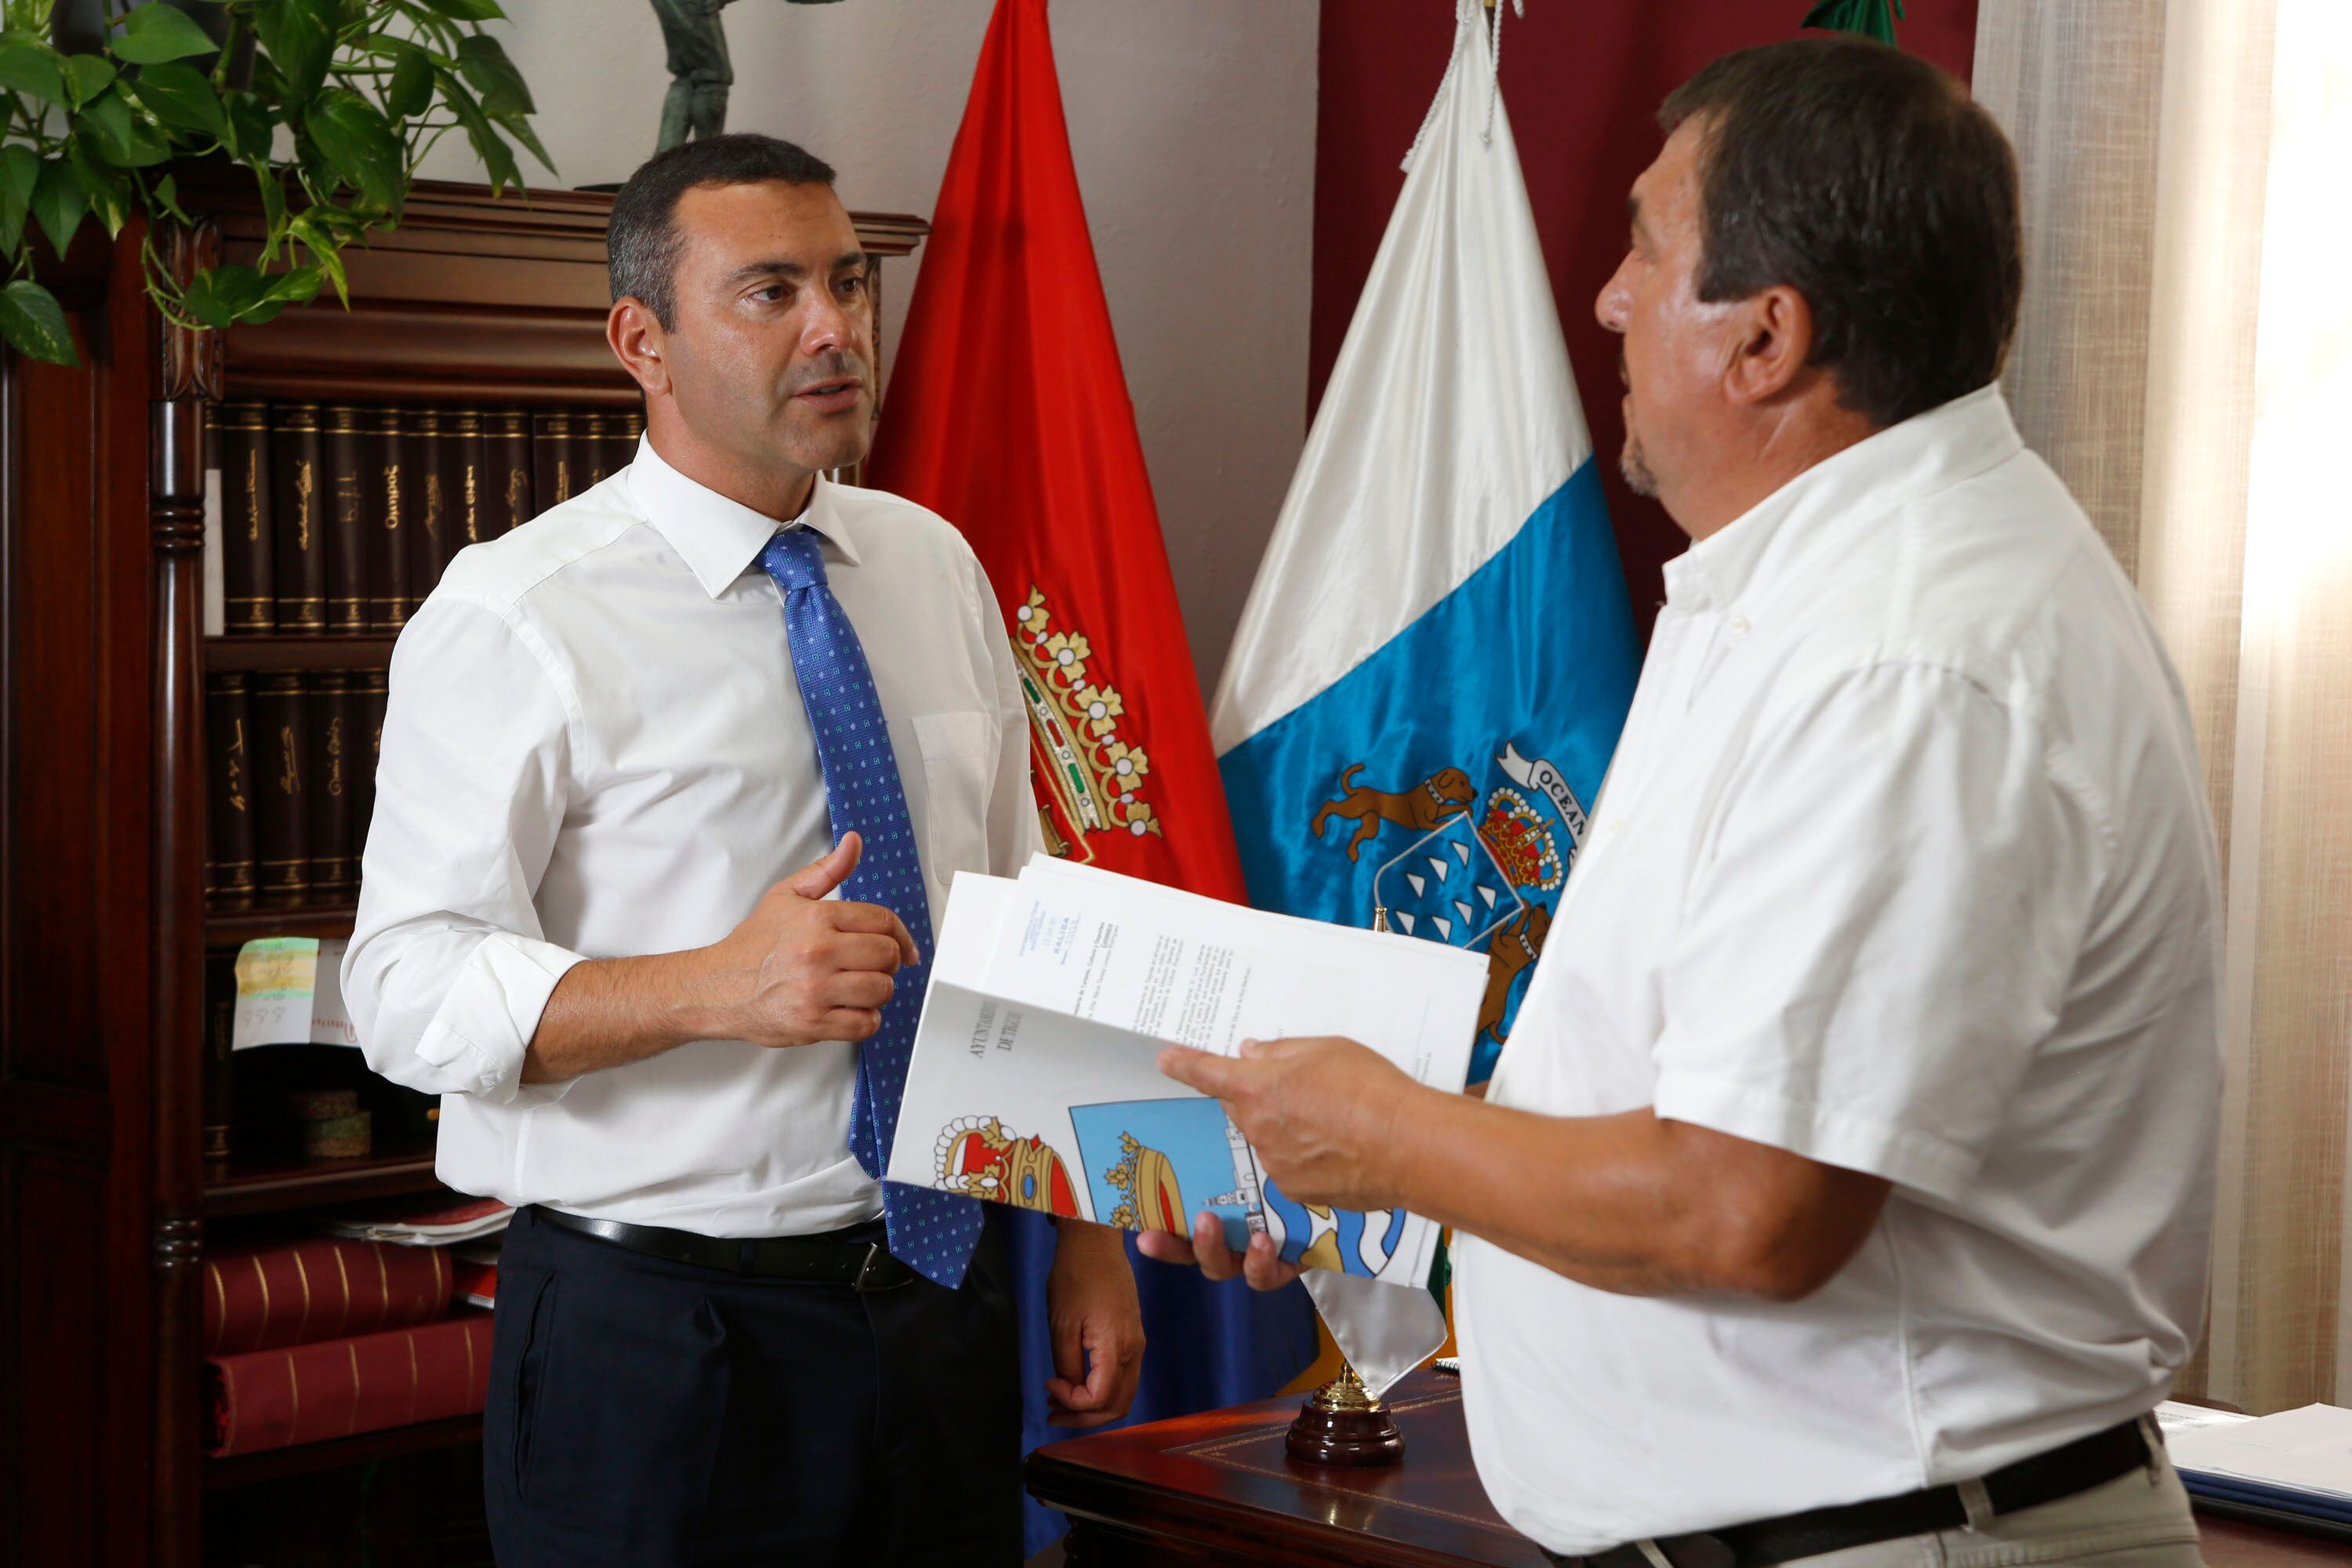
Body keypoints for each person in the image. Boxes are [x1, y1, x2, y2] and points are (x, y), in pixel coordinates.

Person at [1146, 38, 2220, 1568]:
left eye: (1646, 249)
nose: (1607, 299)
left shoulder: (1903, 657)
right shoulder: (1812, 585)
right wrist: (1341, 1169)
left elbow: (1745, 1210)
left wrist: (1380, 1137)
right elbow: (1659, 1083)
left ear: (1766, 336)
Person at [345, 133, 1144, 1567]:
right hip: (657, 1347)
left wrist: (1087, 1234)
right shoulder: (517, 613)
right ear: (641, 341)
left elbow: (1022, 919)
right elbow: (402, 990)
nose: (833, 326)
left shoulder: (933, 565)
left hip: (940, 1308)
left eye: (849, 281)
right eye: (771, 291)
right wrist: (716, 986)